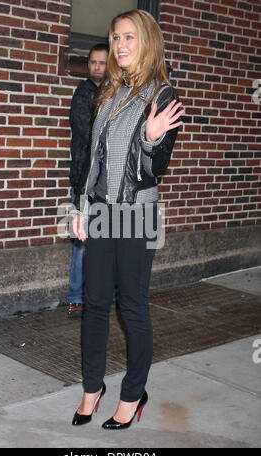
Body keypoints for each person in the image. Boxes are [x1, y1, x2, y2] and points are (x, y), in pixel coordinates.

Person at [71, 9, 184, 429]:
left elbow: (154, 171)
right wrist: (82, 208)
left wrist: (150, 139)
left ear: (148, 42)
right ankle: (91, 387)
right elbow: (92, 160)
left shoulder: (162, 96)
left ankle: (133, 394)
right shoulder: (110, 92)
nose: (120, 45)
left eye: (130, 37)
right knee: (95, 304)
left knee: (132, 305)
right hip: (101, 210)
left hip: (137, 214)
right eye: (116, 37)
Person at [66, 43, 109, 318]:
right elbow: (89, 134)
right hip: (84, 177)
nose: (96, 67)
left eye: (102, 63)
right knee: (82, 242)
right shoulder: (83, 94)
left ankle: (107, 294)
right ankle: (76, 296)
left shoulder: (116, 93)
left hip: (108, 181)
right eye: (92, 62)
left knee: (108, 240)